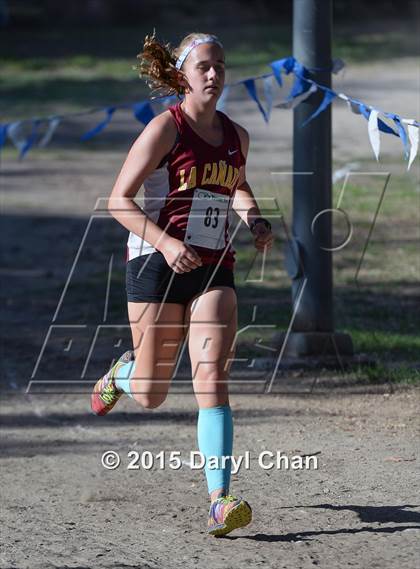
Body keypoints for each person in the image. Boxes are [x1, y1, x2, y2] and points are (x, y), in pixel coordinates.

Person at [91, 31, 274, 537]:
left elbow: (234, 181)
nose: (214, 74)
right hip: (156, 261)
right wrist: (169, 245)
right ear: (182, 76)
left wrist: (254, 219)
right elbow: (118, 201)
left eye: (220, 65)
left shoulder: (238, 136)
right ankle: (122, 376)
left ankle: (220, 498)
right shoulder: (163, 130)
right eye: (203, 67)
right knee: (152, 391)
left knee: (212, 377)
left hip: (215, 264)